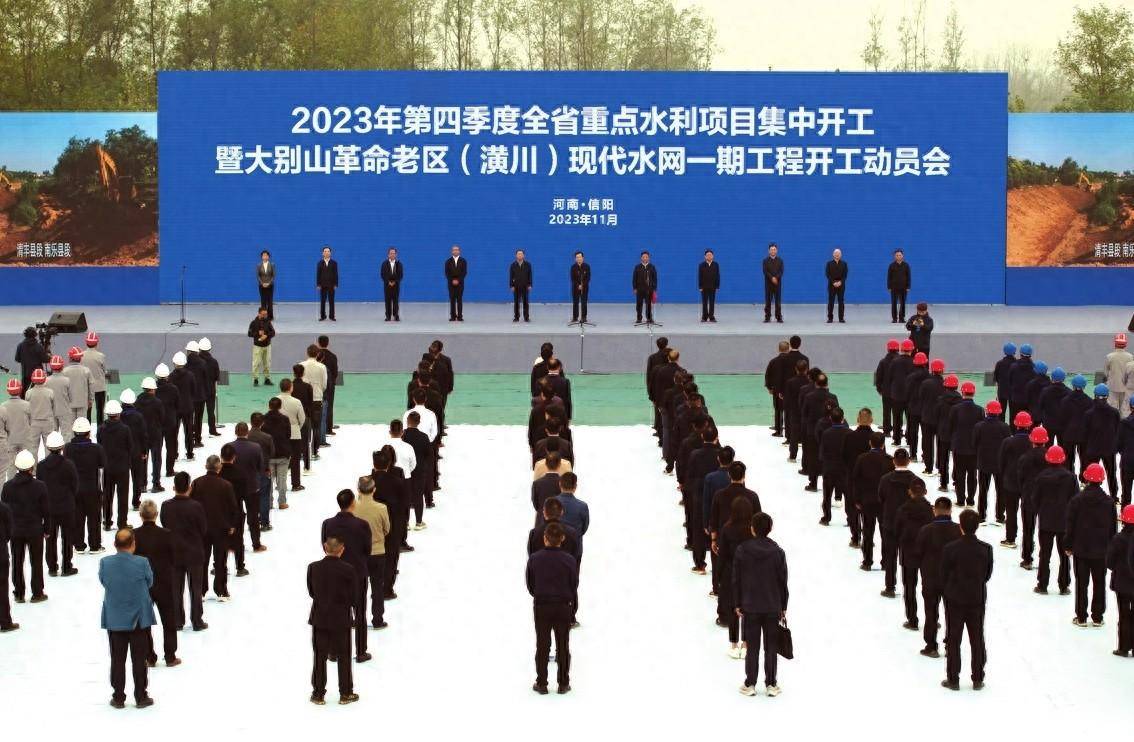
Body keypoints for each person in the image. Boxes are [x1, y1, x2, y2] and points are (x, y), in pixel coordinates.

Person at [733, 512, 788, 697]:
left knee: (752, 647)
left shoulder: (742, 550)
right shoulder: (778, 552)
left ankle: (750, 683)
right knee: (771, 647)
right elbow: (782, 581)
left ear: (752, 529)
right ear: (770, 528)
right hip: (772, 605)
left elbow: (736, 579)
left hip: (750, 605)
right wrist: (783, 605)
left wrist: (737, 602)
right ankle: (771, 683)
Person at [100, 528, 156, 708]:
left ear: (115, 544)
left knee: (117, 659)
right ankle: (141, 696)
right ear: (133, 544)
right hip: (138, 618)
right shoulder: (142, 562)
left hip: (115, 618)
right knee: (139, 659)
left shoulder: (105, 563)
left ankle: (118, 697)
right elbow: (149, 582)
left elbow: (104, 581)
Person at [940, 509, 993, 691]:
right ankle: (977, 677)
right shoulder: (986, 549)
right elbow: (987, 574)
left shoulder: (950, 549)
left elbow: (944, 573)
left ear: (960, 526)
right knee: (977, 638)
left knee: (954, 639)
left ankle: (953, 678)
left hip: (954, 598)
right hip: (976, 597)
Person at [525, 522, 578, 695]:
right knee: (563, 644)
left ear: (544, 538)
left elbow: (530, 583)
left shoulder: (534, 559)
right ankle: (563, 683)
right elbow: (574, 584)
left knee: (542, 644)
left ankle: (542, 683)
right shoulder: (570, 560)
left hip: (542, 604)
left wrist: (539, 594)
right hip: (563, 605)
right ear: (562, 539)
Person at [307, 536, 359, 705]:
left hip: (320, 618)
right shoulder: (349, 570)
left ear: (325, 547)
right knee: (344, 656)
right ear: (341, 550)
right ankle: (345, 693)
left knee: (319, 657)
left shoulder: (313, 568)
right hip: (341, 618)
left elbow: (312, 592)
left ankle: (318, 694)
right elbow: (354, 597)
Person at [321, 489, 372, 662]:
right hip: (357, 573)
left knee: (336, 612)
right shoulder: (362, 525)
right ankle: (361, 651)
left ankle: (334, 651)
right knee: (360, 613)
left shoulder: (327, 524)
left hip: (335, 573)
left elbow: (325, 546)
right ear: (353, 503)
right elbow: (367, 549)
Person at [1067, 463, 1117, 627]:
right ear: (1102, 480)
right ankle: (1097, 616)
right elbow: (1113, 530)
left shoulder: (1077, 500)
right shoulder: (1109, 502)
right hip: (1101, 551)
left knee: (1081, 583)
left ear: (1087, 478)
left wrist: (1068, 545)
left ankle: (1081, 616)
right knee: (1099, 583)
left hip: (1081, 549)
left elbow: (1070, 525)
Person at [132, 500, 179, 667]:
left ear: (140, 515)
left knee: (143, 621)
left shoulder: (134, 535)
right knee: (168, 619)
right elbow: (174, 558)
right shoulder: (167, 534)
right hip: (164, 582)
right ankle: (170, 655)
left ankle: (149, 656)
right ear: (156, 514)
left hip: (142, 584)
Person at [159, 472, 208, 631]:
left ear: (174, 487)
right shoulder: (196, 506)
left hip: (174, 552)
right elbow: (203, 529)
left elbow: (164, 525)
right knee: (196, 588)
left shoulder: (166, 506)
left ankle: (177, 620)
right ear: (189, 487)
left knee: (175, 589)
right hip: (194, 552)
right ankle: (197, 620)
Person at [915, 497, 962, 656]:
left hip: (931, 577)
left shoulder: (926, 530)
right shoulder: (958, 530)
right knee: (952, 614)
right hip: (952, 580)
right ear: (950, 510)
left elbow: (918, 552)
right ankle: (951, 645)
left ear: (934, 510)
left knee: (931, 612)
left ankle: (931, 645)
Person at [191, 456, 239, 601]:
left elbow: (192, 505)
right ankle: (221, 590)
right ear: (219, 467)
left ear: (206, 466)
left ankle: (201, 591)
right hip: (221, 528)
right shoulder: (226, 485)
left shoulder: (197, 483)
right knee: (220, 561)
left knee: (202, 561)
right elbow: (233, 508)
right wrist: (232, 525)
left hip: (202, 529)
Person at [2, 450, 48, 603]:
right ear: (31, 467)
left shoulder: (7, 487)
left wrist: (7, 532)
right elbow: (45, 510)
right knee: (36, 562)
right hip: (35, 529)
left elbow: (5, 512)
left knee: (17, 562)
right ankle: (37, 592)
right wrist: (47, 529)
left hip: (16, 530)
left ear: (16, 467)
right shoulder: (40, 486)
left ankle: (19, 593)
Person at [1031, 445, 1076, 595]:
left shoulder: (1041, 477)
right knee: (1064, 555)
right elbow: (1075, 500)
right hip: (1064, 522)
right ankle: (1064, 585)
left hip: (1046, 521)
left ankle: (1042, 584)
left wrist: (1041, 511)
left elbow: (1035, 499)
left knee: (1045, 554)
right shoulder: (1070, 478)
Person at [879, 448, 923, 597]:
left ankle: (890, 586)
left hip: (890, 522)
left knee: (890, 555)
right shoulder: (916, 481)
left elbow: (881, 498)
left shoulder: (885, 479)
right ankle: (909, 588)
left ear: (894, 461)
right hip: (910, 526)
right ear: (909, 461)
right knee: (908, 558)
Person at [850, 432, 894, 568]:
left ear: (870, 443)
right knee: (885, 533)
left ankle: (867, 561)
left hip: (867, 501)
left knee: (867, 532)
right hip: (884, 502)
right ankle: (885, 561)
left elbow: (856, 480)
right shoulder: (889, 460)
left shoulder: (862, 458)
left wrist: (857, 499)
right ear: (883, 444)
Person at [37, 431, 77, 577]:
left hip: (49, 508)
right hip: (66, 506)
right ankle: (67, 566)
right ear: (61, 447)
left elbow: (39, 486)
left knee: (50, 538)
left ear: (48, 447)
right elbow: (74, 485)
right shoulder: (68, 464)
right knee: (67, 537)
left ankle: (52, 567)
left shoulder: (41, 466)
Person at [895, 478, 933, 630]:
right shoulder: (930, 510)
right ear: (925, 491)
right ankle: (932, 618)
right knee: (930, 589)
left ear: (909, 492)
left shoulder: (903, 510)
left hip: (908, 551)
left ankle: (912, 619)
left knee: (909, 586)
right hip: (927, 554)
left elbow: (897, 530)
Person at [353, 476, 390, 629]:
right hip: (377, 552)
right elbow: (387, 529)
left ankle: (358, 619)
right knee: (377, 587)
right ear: (374, 490)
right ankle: (378, 619)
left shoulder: (352, 508)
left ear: (358, 490)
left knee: (357, 588)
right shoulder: (381, 508)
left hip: (358, 554)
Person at [65, 418, 106, 554]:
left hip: (74, 489)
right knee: (94, 517)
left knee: (77, 516)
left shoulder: (68, 448)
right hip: (92, 488)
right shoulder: (96, 448)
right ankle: (95, 545)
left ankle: (78, 545)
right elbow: (102, 464)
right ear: (88, 433)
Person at [998, 411, 1033, 548]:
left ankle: (1010, 538)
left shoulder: (1008, 442)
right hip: (1028, 483)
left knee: (1011, 511)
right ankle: (1028, 540)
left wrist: (1004, 476)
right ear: (1029, 425)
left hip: (1010, 482)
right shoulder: (1033, 443)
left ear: (1016, 425)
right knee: (1028, 515)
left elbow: (1001, 462)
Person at [98, 400, 135, 531]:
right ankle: (122, 523)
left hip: (107, 468)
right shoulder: (125, 429)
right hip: (122, 467)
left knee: (107, 496)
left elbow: (99, 445)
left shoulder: (101, 429)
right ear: (119, 414)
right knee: (123, 496)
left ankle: (107, 521)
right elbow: (130, 447)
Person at [973, 401, 1010, 522]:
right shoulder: (1005, 427)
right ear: (999, 412)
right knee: (1001, 491)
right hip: (1000, 464)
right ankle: (1000, 516)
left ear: (987, 411)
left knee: (983, 490)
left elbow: (974, 443)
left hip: (983, 462)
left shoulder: (979, 426)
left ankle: (981, 515)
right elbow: (1007, 446)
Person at [948, 381, 983, 508]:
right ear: (974, 393)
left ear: (962, 392)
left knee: (960, 474)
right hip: (973, 448)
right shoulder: (980, 410)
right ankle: (971, 499)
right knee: (972, 475)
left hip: (959, 446)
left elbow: (951, 426)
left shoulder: (955, 409)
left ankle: (960, 499)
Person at [1085, 383, 1121, 498]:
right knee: (1111, 474)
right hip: (1109, 449)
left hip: (1093, 448)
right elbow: (1117, 430)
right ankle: (1114, 496)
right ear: (1107, 396)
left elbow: (1086, 432)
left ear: (1095, 395)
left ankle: (1090, 495)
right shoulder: (1115, 412)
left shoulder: (1088, 414)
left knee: (1092, 473)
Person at [1108, 504, 1134, 656]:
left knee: (1124, 614)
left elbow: (1110, 563)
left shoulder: (1118, 539)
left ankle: (1123, 647)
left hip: (1122, 584)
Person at [118, 390, 147, 511]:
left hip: (122, 453)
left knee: (123, 481)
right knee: (136, 477)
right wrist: (144, 451)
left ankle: (122, 504)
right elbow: (143, 435)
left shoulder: (118, 417)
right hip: (136, 451)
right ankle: (136, 501)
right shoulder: (139, 417)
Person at [135, 378, 165, 493]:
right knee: (156, 459)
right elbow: (162, 418)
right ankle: (156, 484)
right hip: (155, 434)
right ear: (152, 389)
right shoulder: (157, 402)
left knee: (143, 459)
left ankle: (142, 484)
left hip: (142, 435)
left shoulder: (137, 401)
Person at [278, 379, 307, 491]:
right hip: (294, 433)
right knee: (295, 460)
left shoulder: (275, 400)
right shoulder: (296, 402)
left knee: (281, 459)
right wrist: (296, 428)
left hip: (280, 435)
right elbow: (302, 419)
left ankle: (280, 484)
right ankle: (296, 484)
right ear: (291, 388)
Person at [167, 352, 197, 461]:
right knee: (189, 431)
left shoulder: (170, 377)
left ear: (174, 363)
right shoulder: (190, 375)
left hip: (175, 408)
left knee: (174, 432)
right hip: (188, 407)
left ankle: (174, 454)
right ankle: (189, 453)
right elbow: (194, 390)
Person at [0, 379, 31, 483]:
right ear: (20, 389)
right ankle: (26, 486)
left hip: (10, 440)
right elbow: (31, 421)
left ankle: (11, 486)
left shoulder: (3, 406)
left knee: (11, 466)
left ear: (8, 391)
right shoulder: (27, 405)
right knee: (26, 465)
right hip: (25, 439)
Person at [153, 364, 180, 477]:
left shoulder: (153, 389)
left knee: (157, 449)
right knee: (171, 447)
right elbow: (177, 405)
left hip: (157, 423)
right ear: (167, 376)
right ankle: (170, 470)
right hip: (170, 422)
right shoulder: (173, 389)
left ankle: (156, 472)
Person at [300, 346, 328, 453]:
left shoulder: (301, 365)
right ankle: (315, 451)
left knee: (304, 425)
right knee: (316, 426)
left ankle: (303, 450)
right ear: (317, 354)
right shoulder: (322, 367)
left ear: (307, 353)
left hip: (304, 399)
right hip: (317, 398)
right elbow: (324, 384)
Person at [62, 346, 93, 435]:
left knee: (70, 426)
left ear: (70, 358)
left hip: (69, 404)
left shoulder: (64, 371)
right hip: (82, 402)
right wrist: (91, 399)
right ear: (80, 358)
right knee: (82, 426)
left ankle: (72, 441)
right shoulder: (86, 371)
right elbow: (91, 386)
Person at [25, 368, 57, 454]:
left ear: (33, 379)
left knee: (33, 449)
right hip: (48, 422)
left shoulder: (28, 393)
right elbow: (54, 408)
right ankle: (48, 463)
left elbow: (27, 410)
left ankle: (33, 464)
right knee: (49, 448)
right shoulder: (50, 392)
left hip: (33, 424)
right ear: (44, 379)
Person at [81, 331, 108, 425]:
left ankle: (86, 430)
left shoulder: (81, 355)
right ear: (96, 343)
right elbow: (104, 370)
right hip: (99, 387)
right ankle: (100, 430)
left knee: (87, 411)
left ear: (86, 342)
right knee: (100, 411)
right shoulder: (101, 356)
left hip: (87, 388)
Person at [14, 327, 49, 399]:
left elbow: (17, 359)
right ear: (35, 335)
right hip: (37, 374)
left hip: (25, 373)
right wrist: (49, 355)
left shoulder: (20, 345)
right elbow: (45, 359)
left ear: (25, 334)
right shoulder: (39, 346)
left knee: (23, 394)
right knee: (37, 393)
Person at [874, 340, 899, 439]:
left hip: (886, 391)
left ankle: (887, 430)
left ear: (888, 349)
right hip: (898, 392)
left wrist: (879, 389)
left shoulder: (883, 361)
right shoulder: (900, 361)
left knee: (886, 411)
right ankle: (898, 431)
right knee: (897, 413)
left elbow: (878, 376)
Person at [44, 356, 71, 443]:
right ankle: (66, 451)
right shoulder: (67, 381)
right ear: (62, 366)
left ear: (51, 367)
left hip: (51, 412)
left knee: (52, 436)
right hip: (64, 411)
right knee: (66, 435)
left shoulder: (46, 381)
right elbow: (71, 397)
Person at [1105, 333, 1132, 415]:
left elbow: (1106, 372)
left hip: (1113, 386)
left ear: (1115, 343)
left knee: (1113, 408)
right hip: (1126, 387)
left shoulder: (1109, 357)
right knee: (1125, 410)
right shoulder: (1130, 357)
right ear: (1125, 344)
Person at [248, 307, 274, 387]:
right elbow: (249, 334)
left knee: (267, 363)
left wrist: (266, 336)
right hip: (257, 346)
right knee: (256, 363)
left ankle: (267, 379)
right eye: (263, 314)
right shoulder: (253, 323)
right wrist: (257, 333)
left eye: (266, 314)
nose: (265, 316)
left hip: (267, 346)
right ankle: (255, 379)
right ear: (259, 313)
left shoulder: (268, 322)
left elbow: (273, 332)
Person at [0, 496, 14, 631]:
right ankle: (5, 622)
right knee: (2, 589)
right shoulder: (3, 508)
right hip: (1, 555)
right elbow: (9, 531)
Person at [632, 250, 658, 325]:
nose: (645, 258)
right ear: (641, 258)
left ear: (649, 258)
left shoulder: (652, 267)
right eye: (643, 257)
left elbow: (655, 279)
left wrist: (654, 289)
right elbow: (634, 278)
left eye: (646, 257)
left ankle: (649, 318)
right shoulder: (637, 267)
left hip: (649, 290)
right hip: (639, 289)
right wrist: (634, 288)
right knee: (639, 305)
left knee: (648, 305)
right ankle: (639, 318)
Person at [887, 249, 911, 323]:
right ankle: (894, 318)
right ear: (894, 256)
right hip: (894, 288)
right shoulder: (891, 265)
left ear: (902, 256)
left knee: (903, 303)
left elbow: (909, 276)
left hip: (904, 288)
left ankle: (901, 318)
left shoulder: (906, 265)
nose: (898, 256)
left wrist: (908, 286)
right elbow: (889, 277)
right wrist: (889, 287)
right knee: (894, 303)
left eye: (900, 255)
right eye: (897, 255)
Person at [824, 248, 848, 323]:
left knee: (841, 302)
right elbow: (828, 274)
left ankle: (841, 318)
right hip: (831, 285)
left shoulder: (844, 264)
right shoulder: (829, 264)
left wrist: (840, 282)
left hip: (841, 286)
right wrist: (834, 282)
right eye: (836, 253)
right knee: (831, 302)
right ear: (833, 254)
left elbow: (845, 275)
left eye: (838, 253)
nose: (837, 255)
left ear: (841, 255)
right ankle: (830, 318)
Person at [509, 249, 533, 322]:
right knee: (516, 303)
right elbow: (511, 276)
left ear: (523, 255)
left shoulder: (528, 265)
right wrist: (511, 286)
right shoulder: (513, 265)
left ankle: (526, 317)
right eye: (518, 254)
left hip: (525, 286)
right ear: (516, 255)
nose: (520, 255)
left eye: (521, 254)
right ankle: (516, 317)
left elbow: (530, 275)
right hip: (516, 287)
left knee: (526, 302)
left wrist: (530, 285)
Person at [445, 244, 467, 321]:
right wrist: (452, 280)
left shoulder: (463, 261)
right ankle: (453, 316)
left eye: (457, 250)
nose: (455, 251)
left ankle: (460, 316)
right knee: (452, 300)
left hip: (460, 284)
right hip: (451, 284)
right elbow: (447, 273)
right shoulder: (448, 261)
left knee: (459, 299)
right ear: (452, 251)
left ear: (459, 251)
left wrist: (458, 280)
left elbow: (464, 272)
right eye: (454, 250)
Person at [762, 243, 784, 323]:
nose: (773, 251)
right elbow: (765, 271)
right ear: (769, 251)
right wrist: (772, 278)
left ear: (777, 250)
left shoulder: (780, 261)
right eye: (771, 249)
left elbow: (781, 271)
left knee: (778, 301)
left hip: (777, 284)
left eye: (774, 249)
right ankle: (767, 317)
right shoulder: (765, 261)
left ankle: (779, 317)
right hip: (768, 284)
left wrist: (776, 278)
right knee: (768, 301)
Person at [316, 245, 338, 321]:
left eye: (328, 251)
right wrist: (318, 284)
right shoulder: (319, 263)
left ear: (330, 253)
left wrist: (336, 284)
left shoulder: (334, 263)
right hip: (322, 285)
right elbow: (318, 274)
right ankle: (323, 316)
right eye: (325, 251)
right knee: (323, 301)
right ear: (322, 253)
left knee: (331, 301)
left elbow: (336, 274)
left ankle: (332, 316)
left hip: (331, 285)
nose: (326, 253)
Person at [380, 247, 403, 322]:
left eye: (393, 253)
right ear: (388, 254)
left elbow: (400, 275)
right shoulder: (384, 264)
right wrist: (388, 282)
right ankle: (388, 316)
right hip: (387, 286)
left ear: (396, 254)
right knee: (387, 301)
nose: (392, 255)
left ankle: (396, 316)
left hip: (396, 286)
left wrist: (395, 282)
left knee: (396, 301)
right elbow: (382, 274)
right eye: (391, 253)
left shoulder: (399, 264)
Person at [697, 249, 720, 322]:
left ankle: (711, 317)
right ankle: (704, 317)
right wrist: (700, 286)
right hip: (704, 287)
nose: (709, 256)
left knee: (712, 302)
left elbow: (718, 275)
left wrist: (717, 286)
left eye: (710, 255)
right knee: (704, 302)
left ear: (713, 256)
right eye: (707, 255)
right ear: (705, 256)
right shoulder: (701, 265)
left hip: (713, 287)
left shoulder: (716, 265)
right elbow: (700, 276)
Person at [570, 251, 590, 323]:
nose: (578, 258)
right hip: (575, 288)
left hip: (584, 288)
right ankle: (575, 317)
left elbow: (588, 278)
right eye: (577, 257)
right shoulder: (573, 267)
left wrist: (582, 285)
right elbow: (572, 278)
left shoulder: (587, 267)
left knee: (584, 302)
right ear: (575, 259)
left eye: (580, 257)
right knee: (575, 302)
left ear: (583, 258)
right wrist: (578, 285)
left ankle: (584, 317)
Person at [256, 250, 275, 319]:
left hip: (270, 285)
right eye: (263, 255)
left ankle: (270, 316)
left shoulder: (272, 265)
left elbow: (273, 275)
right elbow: (258, 276)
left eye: (266, 255)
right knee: (263, 301)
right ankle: (263, 316)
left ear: (268, 257)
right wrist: (262, 283)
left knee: (270, 301)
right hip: (261, 286)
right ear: (261, 257)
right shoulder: (258, 265)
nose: (265, 257)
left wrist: (269, 283)